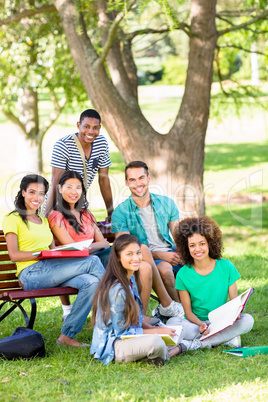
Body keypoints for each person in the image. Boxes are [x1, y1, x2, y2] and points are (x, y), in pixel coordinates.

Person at [2, 174, 105, 347]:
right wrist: (39, 254)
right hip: (30, 274)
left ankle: (66, 336)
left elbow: (52, 250)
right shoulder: (13, 219)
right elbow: (14, 255)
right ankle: (118, 317)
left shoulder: (42, 220)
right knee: (93, 261)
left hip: (49, 269)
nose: (37, 197)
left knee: (91, 282)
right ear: (23, 193)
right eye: (32, 192)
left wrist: (64, 250)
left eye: (41, 193)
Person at [90, 234, 192, 366]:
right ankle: (176, 350)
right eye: (129, 254)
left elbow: (136, 318)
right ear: (118, 258)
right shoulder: (117, 290)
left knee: (180, 330)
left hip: (132, 336)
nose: (136, 258)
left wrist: (155, 328)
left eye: (138, 253)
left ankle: (171, 346)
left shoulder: (130, 278)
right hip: (114, 345)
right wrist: (157, 332)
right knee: (156, 342)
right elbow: (122, 333)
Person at [166, 216, 254, 349]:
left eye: (202, 243)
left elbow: (234, 303)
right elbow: (188, 312)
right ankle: (224, 338)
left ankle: (197, 344)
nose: (198, 249)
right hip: (196, 324)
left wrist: (235, 315)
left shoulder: (226, 267)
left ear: (210, 243)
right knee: (172, 323)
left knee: (248, 320)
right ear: (186, 247)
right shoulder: (183, 274)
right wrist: (200, 325)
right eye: (192, 245)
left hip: (222, 321)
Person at [111, 161, 183, 317]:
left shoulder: (166, 203)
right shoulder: (120, 213)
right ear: (126, 183)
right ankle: (181, 313)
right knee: (165, 269)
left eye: (141, 178)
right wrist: (159, 255)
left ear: (149, 178)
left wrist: (184, 253)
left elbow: (178, 236)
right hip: (144, 258)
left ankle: (206, 310)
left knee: (203, 261)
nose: (138, 184)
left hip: (172, 253)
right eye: (132, 180)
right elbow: (126, 250)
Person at [48, 170, 111, 320]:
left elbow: (105, 243)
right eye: (69, 187)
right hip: (71, 265)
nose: (74, 191)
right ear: (60, 188)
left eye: (78, 187)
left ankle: (128, 308)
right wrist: (94, 246)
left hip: (92, 259)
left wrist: (90, 247)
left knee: (117, 253)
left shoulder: (86, 213)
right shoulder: (55, 215)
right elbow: (73, 248)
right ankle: (108, 311)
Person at [46, 109, 113, 221]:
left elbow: (104, 180)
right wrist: (48, 217)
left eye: (95, 127)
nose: (91, 131)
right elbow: (55, 183)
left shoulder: (101, 144)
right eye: (86, 126)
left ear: (100, 128)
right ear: (78, 125)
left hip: (80, 206)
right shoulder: (63, 145)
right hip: (58, 207)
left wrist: (111, 213)